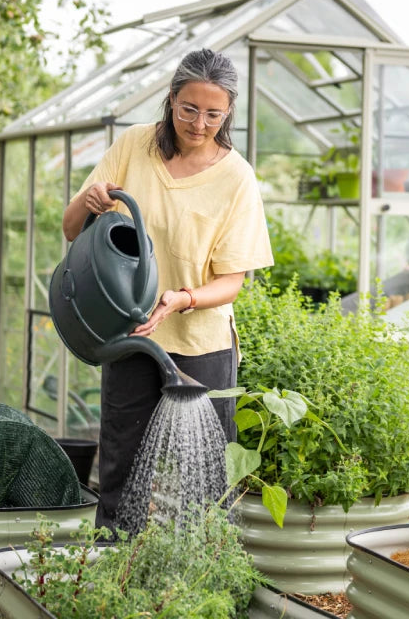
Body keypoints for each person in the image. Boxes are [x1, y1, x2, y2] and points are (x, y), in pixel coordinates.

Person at [62, 48, 274, 529]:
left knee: (204, 479)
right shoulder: (132, 147)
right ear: (171, 99)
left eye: (213, 113)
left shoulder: (237, 178)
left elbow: (232, 282)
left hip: (200, 345)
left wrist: (183, 299)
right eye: (189, 109)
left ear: (228, 113)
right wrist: (89, 199)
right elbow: (73, 227)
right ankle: (111, 569)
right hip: (132, 337)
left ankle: (196, 585)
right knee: (120, 466)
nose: (199, 123)